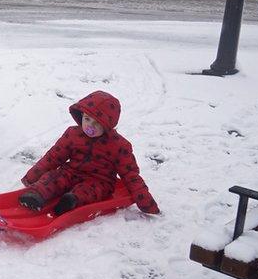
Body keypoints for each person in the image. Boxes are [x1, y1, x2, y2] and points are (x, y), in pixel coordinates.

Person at [18, 90, 160, 216]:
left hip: (99, 180)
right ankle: (35, 195)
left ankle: (71, 201)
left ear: (107, 125)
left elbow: (131, 175)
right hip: (71, 172)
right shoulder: (73, 134)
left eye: (97, 123)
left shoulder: (119, 146)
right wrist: (31, 177)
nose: (89, 126)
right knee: (54, 178)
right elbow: (54, 156)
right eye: (87, 119)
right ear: (81, 116)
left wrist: (146, 203)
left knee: (90, 191)